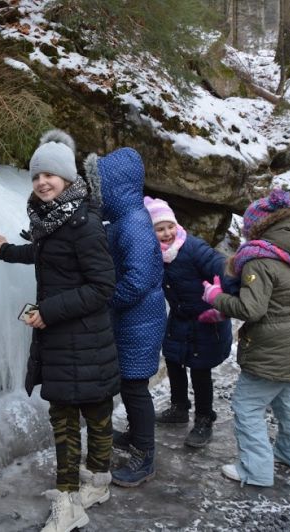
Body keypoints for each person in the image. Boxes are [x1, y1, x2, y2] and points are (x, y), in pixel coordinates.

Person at [0, 130, 119, 532]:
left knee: (81, 416)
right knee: (76, 414)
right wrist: (9, 251)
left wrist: (48, 311)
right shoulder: (53, 220)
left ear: (67, 178)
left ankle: (71, 500)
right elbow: (48, 256)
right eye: (36, 176)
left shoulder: (83, 224)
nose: (42, 182)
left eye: (50, 175)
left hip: (81, 336)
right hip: (65, 337)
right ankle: (92, 483)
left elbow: (102, 286)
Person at [202, 188, 290, 486]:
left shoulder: (259, 259)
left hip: (271, 349)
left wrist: (215, 298)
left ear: (258, 226)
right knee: (289, 402)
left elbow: (252, 309)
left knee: (247, 406)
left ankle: (255, 470)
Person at [84, 148, 166, 487]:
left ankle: (144, 455)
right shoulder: (125, 220)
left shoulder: (134, 224)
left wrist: (105, 301)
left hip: (139, 320)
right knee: (130, 383)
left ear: (113, 188)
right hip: (134, 320)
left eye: (98, 187)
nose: (95, 194)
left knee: (135, 387)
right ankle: (136, 436)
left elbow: (137, 279)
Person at [144, 196, 233, 448]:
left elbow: (219, 265)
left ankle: (204, 418)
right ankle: (179, 407)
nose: (167, 233)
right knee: (174, 361)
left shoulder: (192, 247)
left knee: (200, 369)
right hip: (180, 317)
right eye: (160, 229)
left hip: (206, 319)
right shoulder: (155, 254)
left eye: (170, 226)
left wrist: (225, 297)